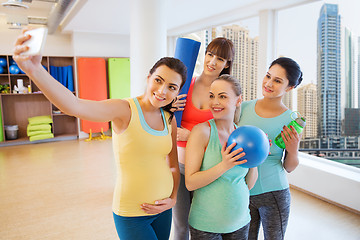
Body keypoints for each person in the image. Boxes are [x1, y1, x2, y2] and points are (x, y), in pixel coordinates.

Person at [13, 29, 187, 240]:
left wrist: (173, 198)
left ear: (177, 92)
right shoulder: (124, 109)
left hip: (163, 209)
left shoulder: (169, 118)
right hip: (132, 212)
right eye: (158, 80)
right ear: (148, 77)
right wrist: (34, 70)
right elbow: (74, 106)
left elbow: (172, 166)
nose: (162, 91)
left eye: (172, 87)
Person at [172, 37, 235, 240]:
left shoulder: (225, 95)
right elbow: (163, 120)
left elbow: (228, 131)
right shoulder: (184, 85)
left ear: (227, 64)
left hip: (208, 169)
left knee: (204, 225)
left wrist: (193, 137)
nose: (212, 62)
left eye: (220, 58)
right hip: (179, 165)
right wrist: (169, 109)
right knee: (180, 225)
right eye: (210, 54)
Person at [236, 57, 303, 240]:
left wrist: (294, 148)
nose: (269, 83)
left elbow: (289, 166)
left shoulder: (292, 120)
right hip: (242, 191)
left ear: (289, 88)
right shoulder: (243, 108)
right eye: (268, 76)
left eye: (277, 81)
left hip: (274, 193)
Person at [185, 74, 258, 239]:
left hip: (241, 222)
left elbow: (249, 185)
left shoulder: (242, 134)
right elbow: (190, 183)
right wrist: (224, 165)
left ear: (238, 100)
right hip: (206, 226)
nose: (215, 102)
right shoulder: (201, 132)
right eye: (212, 96)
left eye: (222, 96)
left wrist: (255, 158)